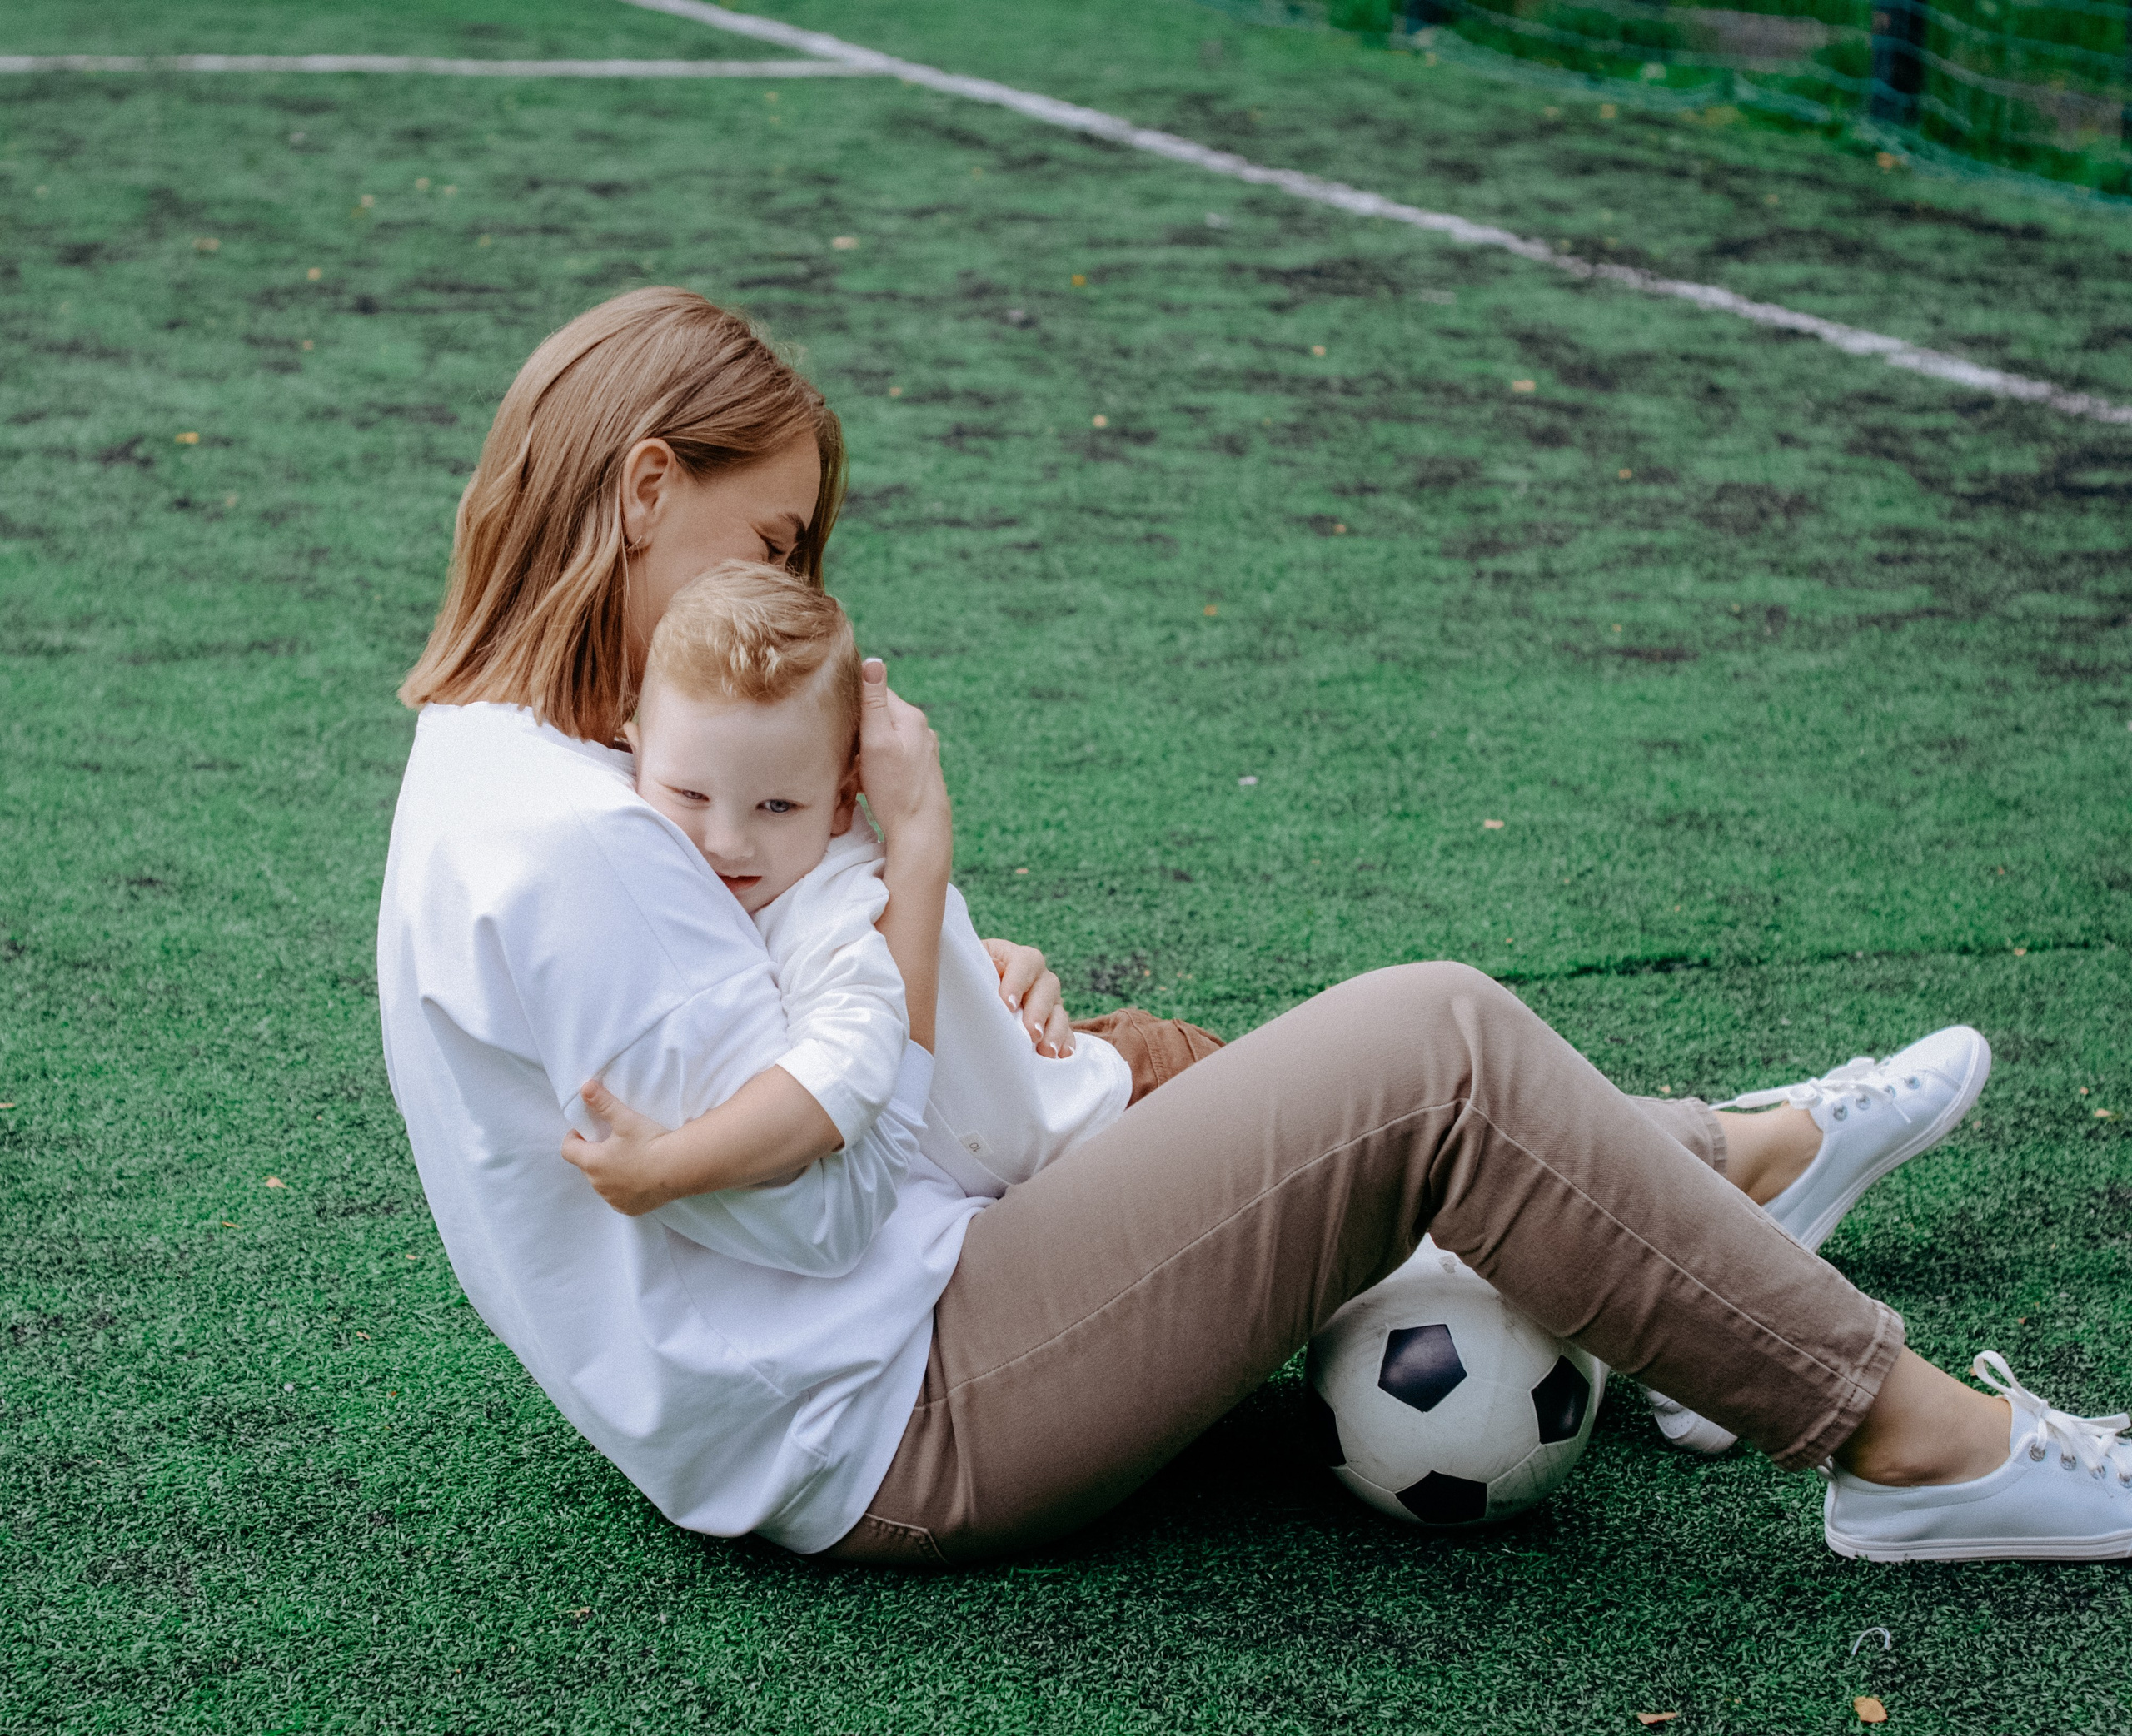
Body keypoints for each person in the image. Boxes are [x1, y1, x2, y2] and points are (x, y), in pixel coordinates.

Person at [377, 286, 2132, 1570]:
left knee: (1156, 1059)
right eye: (765, 538)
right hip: (891, 1406)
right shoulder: (565, 847)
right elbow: (820, 1215)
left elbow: (781, 1066)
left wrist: (971, 1001)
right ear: (636, 490)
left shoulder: (514, 748)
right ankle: (1920, 1446)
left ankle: (1727, 1175)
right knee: (1424, 1053)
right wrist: (912, 873)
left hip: (869, 1331)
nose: (796, 602)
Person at [556, 558, 1168, 1219]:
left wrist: (667, 1166)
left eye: (779, 806)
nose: (728, 841)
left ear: (845, 799)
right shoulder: (651, 844)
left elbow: (849, 1070)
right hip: (1048, 1130)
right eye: (691, 794)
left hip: (1128, 1102)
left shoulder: (830, 907)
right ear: (634, 754)